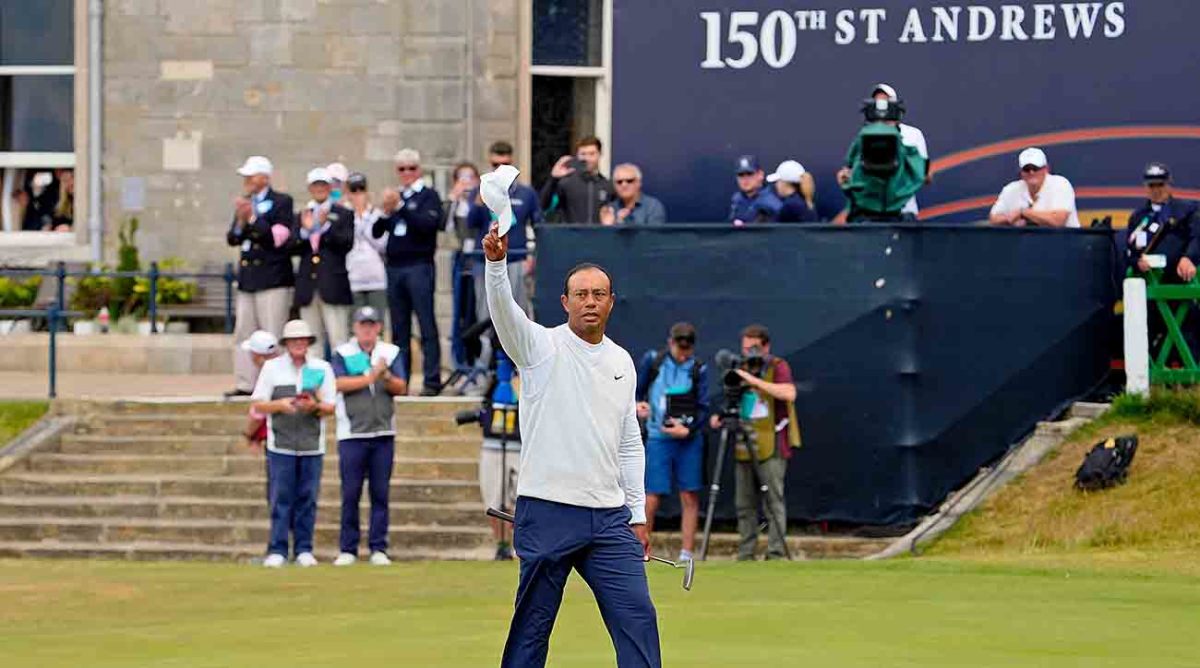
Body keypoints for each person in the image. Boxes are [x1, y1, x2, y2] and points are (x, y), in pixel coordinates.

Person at [481, 222, 660, 667]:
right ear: (565, 302)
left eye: (599, 294)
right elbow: (505, 315)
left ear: (611, 302)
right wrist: (497, 265)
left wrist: (637, 513)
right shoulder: (540, 346)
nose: (590, 302)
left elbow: (629, 445)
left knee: (639, 617)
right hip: (548, 510)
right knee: (532, 629)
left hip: (609, 518)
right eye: (581, 294)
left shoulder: (621, 361)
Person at [250, 319, 337, 568]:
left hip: (312, 443)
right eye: (294, 340)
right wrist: (280, 405)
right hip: (281, 443)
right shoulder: (272, 368)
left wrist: (314, 407)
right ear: (286, 344)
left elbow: (330, 406)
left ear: (308, 343)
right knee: (281, 497)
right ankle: (277, 548)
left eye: (303, 340)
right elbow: (258, 403)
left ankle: (304, 548)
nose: (299, 344)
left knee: (307, 497)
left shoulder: (322, 368)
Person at [710, 324, 801, 561]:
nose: (750, 353)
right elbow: (732, 398)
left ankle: (776, 552)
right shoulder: (738, 368)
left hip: (771, 444)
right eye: (746, 347)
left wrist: (752, 380)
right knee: (744, 503)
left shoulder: (777, 366)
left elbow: (789, 394)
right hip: (743, 442)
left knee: (773, 501)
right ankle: (746, 551)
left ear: (766, 346)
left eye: (755, 347)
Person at [331, 306, 407, 567]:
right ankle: (348, 548)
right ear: (355, 327)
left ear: (378, 327)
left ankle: (378, 547)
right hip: (351, 433)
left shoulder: (391, 352)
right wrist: (369, 377)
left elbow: (401, 386)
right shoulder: (343, 353)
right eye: (363, 325)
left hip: (383, 433)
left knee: (380, 492)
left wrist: (384, 375)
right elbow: (338, 384)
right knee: (350, 493)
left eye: (372, 325)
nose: (367, 329)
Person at [372, 148, 445, 395]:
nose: (406, 173)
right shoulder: (396, 197)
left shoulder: (428, 196)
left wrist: (401, 206)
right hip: (395, 267)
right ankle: (401, 381)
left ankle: (431, 381)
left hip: (419, 266)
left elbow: (427, 225)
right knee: (399, 328)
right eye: (401, 169)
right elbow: (377, 232)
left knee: (426, 324)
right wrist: (385, 211)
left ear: (419, 170)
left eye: (411, 168)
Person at [635, 322, 708, 565]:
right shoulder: (654, 362)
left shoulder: (698, 368)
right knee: (652, 495)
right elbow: (637, 393)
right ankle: (641, 548)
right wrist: (638, 406)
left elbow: (704, 407)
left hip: (689, 441)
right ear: (671, 342)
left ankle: (687, 554)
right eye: (679, 347)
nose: (683, 353)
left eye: (688, 349)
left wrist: (687, 429)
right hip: (658, 439)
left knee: (689, 495)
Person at [466, 145, 542, 371]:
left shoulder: (526, 193)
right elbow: (469, 224)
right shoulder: (480, 191)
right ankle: (485, 367)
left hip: (516, 259)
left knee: (517, 312)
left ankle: (521, 366)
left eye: (504, 165)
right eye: (494, 165)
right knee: (484, 315)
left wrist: (533, 257)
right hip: (485, 261)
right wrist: (480, 198)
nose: (499, 169)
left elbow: (538, 225)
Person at [227, 156, 296, 396]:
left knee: (272, 333)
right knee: (244, 333)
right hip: (249, 279)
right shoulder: (246, 203)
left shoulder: (282, 203)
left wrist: (254, 219)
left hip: (272, 278)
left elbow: (276, 239)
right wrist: (240, 219)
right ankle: (246, 383)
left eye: (251, 176)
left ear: (264, 178)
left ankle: (275, 384)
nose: (246, 180)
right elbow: (233, 238)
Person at [292, 167, 355, 358]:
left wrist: (324, 228)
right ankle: (314, 384)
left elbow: (345, 243)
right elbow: (292, 246)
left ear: (329, 187)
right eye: (315, 185)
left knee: (338, 339)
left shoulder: (342, 213)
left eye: (323, 185)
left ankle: (341, 384)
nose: (319, 188)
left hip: (332, 284)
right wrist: (306, 231)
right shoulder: (302, 214)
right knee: (311, 342)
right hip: (308, 286)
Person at [1127, 162, 1200, 281]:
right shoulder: (1138, 217)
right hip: (1148, 279)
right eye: (1151, 186)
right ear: (1145, 187)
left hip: (1182, 278)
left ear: (1169, 184)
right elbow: (1130, 251)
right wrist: (1137, 262)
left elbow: (1196, 238)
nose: (1156, 190)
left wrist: (1189, 258)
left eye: (1160, 185)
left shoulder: (1186, 211)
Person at [344, 172, 390, 333]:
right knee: (354, 328)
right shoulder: (344, 215)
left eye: (361, 190)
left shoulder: (376, 215)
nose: (357, 195)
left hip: (376, 279)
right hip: (353, 280)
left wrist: (364, 218)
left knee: (378, 326)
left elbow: (382, 244)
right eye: (353, 190)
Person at [988, 148, 1080, 228]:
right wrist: (1010, 219)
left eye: (1036, 168)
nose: (1031, 172)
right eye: (1027, 169)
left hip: (1065, 243)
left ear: (1046, 169)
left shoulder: (1060, 184)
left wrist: (1023, 213)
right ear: (1021, 172)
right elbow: (994, 218)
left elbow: (1058, 221)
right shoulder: (1011, 189)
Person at [539, 136, 612, 224]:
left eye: (592, 154)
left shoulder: (607, 185)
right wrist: (553, 179)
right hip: (571, 236)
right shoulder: (566, 183)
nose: (587, 158)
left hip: (599, 236)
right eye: (583, 154)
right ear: (577, 156)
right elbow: (543, 205)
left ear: (599, 154)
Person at [239, 330, 282, 452]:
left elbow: (258, 413)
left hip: (275, 436)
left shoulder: (267, 374)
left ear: (256, 355)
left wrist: (248, 434)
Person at [600, 163, 667, 225]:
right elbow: (606, 237)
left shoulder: (653, 206)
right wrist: (608, 227)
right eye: (619, 182)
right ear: (614, 185)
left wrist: (623, 223)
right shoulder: (611, 209)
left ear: (639, 183)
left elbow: (653, 236)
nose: (624, 185)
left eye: (629, 181)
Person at [729, 155, 783, 225]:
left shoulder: (771, 202)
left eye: (749, 174)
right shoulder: (736, 199)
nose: (745, 179)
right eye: (741, 175)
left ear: (760, 175)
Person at [445, 162, 481, 243]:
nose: (466, 182)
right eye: (462, 178)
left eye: (471, 177)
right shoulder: (452, 204)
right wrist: (453, 199)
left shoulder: (484, 203)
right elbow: (446, 227)